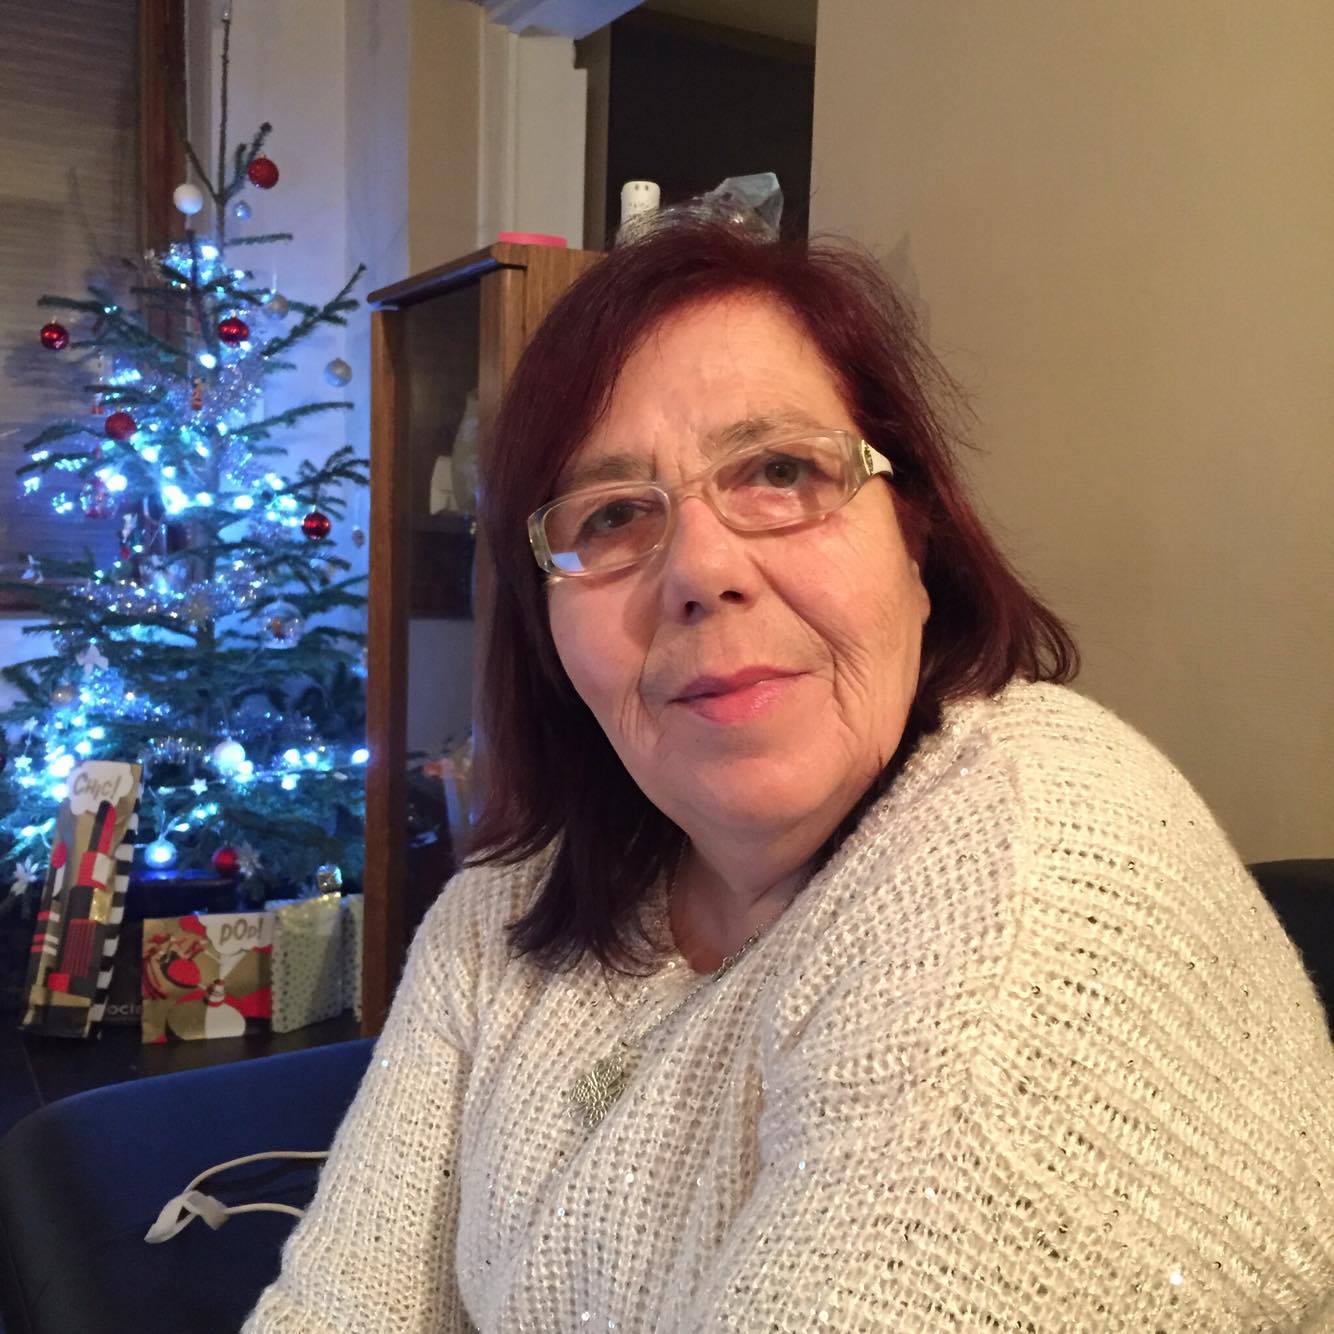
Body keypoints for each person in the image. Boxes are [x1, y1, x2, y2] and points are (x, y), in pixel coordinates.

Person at [245, 216, 1334, 1332]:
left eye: (779, 471)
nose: (701, 569)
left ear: (913, 539)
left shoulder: (1029, 879)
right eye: (611, 515)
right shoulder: (507, 904)